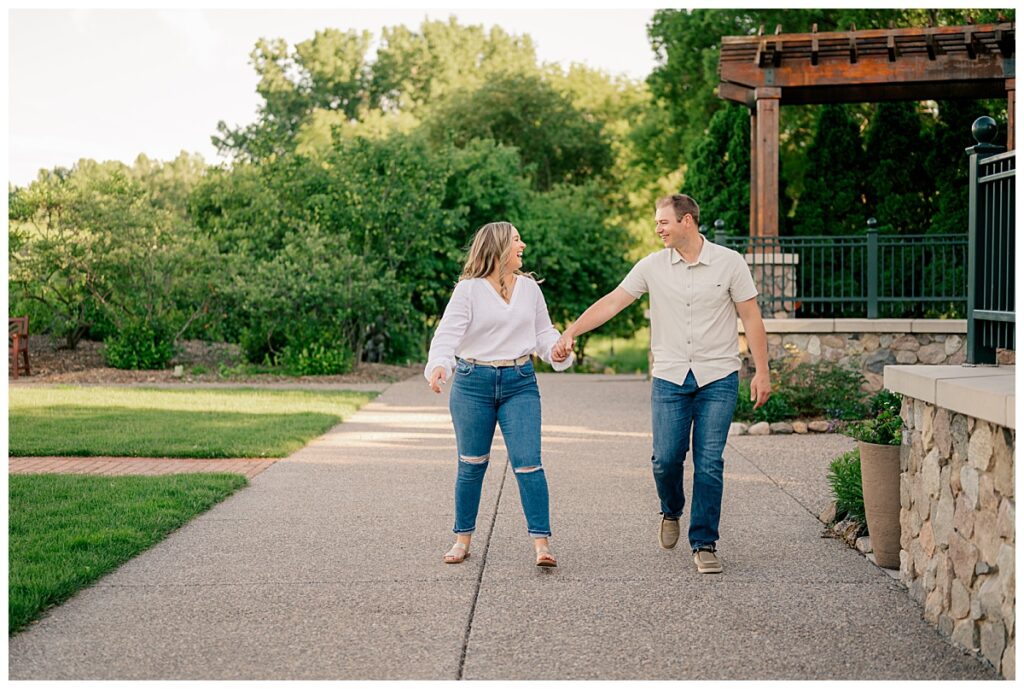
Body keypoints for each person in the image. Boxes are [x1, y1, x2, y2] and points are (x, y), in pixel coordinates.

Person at [552, 194, 770, 574]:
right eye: (657, 222)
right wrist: (572, 330)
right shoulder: (652, 266)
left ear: (687, 221)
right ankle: (671, 510)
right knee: (665, 460)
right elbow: (613, 302)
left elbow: (751, 318)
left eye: (663, 222)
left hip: (717, 376)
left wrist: (763, 372)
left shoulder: (729, 263)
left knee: (709, 463)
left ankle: (704, 542)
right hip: (670, 377)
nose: (657, 229)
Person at [426, 221, 574, 568]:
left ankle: (542, 544)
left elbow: (543, 333)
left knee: (529, 463)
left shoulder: (529, 288)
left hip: (519, 381)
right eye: (517, 240)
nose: (523, 245)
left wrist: (557, 351)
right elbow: (447, 336)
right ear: (498, 248)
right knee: (472, 464)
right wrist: (439, 367)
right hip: (472, 382)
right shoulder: (469, 290)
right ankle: (462, 539)